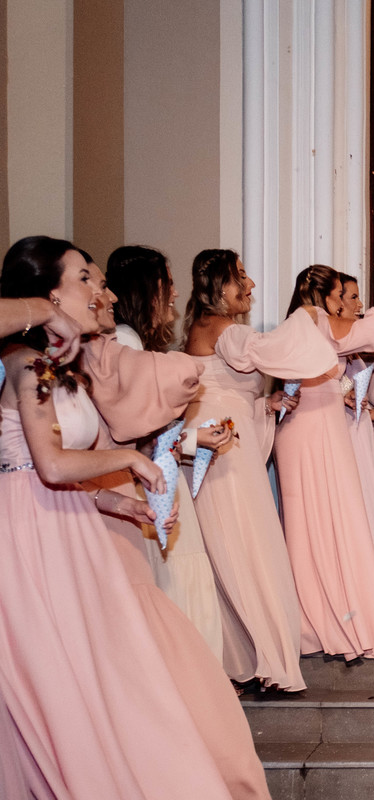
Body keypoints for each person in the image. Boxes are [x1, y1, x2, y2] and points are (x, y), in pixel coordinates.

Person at [0, 236, 267, 798]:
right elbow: (44, 466)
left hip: (72, 526)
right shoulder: (24, 362)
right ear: (49, 293)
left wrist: (112, 499)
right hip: (29, 538)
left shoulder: (60, 367)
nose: (104, 290)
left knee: (123, 668)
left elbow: (56, 471)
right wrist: (127, 458)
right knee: (73, 678)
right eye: (87, 278)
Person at [184, 248, 333, 691]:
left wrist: (264, 405)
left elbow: (233, 385)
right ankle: (264, 657)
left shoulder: (218, 327)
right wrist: (304, 318)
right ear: (220, 287)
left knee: (248, 544)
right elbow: (260, 352)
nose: (250, 285)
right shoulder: (221, 327)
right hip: (221, 450)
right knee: (244, 546)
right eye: (241, 277)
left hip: (233, 444)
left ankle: (256, 654)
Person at [274, 264, 374, 659]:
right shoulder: (307, 329)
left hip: (335, 434)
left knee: (337, 527)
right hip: (309, 434)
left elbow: (346, 394)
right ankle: (315, 621)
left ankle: (342, 616)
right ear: (329, 299)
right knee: (309, 527)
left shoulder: (334, 346)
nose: (353, 305)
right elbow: (323, 385)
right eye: (347, 296)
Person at [103, 244, 226, 661]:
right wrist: (194, 441)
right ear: (148, 289)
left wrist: (193, 440)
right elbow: (134, 437)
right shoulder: (124, 344)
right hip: (141, 485)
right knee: (174, 580)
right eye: (168, 284)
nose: (174, 294)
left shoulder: (133, 342)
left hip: (153, 475)